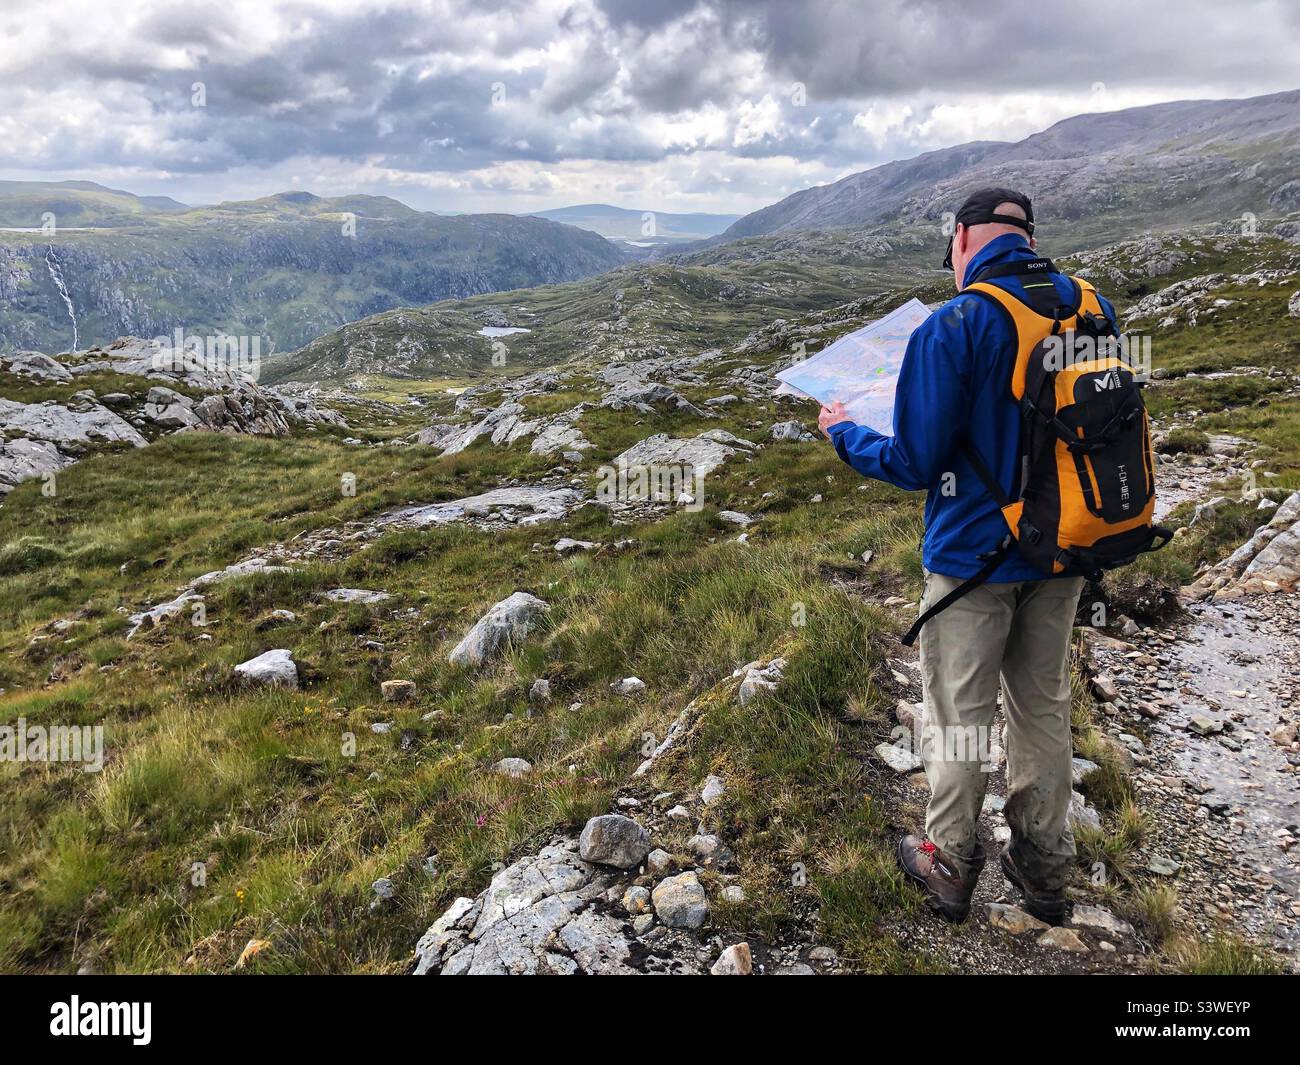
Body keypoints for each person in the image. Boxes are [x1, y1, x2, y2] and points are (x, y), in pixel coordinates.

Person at [818, 188, 1121, 924]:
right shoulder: (1092, 308)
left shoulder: (955, 322)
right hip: (1066, 548)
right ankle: (1045, 869)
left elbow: (917, 459)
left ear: (961, 240)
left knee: (958, 711)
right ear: (1025, 236)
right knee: (1043, 706)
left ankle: (949, 860)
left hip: (972, 556)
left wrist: (843, 432)